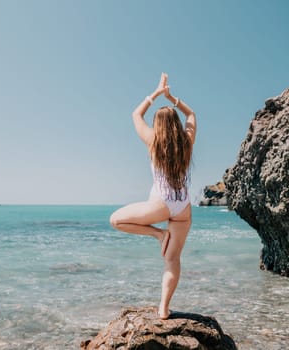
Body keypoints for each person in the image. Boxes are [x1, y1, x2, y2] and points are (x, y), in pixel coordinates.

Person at [109, 73, 196, 319]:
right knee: (172, 260)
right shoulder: (186, 143)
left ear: (158, 126)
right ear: (175, 124)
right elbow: (191, 116)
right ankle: (164, 308)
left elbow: (136, 115)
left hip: (160, 204)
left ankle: (159, 235)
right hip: (183, 208)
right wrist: (172, 99)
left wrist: (156, 94)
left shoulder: (153, 141)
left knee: (116, 220)